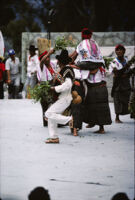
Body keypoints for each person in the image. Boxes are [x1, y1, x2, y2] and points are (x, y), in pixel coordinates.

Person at [45, 49, 74, 143]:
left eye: (58, 60)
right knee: (50, 114)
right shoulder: (62, 70)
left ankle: (69, 119)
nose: (57, 62)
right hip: (61, 98)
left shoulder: (67, 70)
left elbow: (68, 84)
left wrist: (54, 89)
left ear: (61, 61)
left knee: (48, 114)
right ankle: (54, 137)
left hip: (65, 98)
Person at [108, 44, 132, 123]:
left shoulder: (127, 60)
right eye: (117, 50)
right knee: (117, 99)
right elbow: (117, 73)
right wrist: (125, 69)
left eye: (121, 50)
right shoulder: (113, 62)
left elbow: (130, 72)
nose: (119, 51)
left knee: (125, 99)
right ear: (115, 52)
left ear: (124, 51)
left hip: (126, 83)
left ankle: (128, 113)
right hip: (117, 84)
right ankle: (117, 117)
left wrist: (126, 73)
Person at [37, 49, 58, 126]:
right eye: (46, 57)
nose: (48, 59)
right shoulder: (41, 65)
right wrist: (49, 52)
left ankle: (53, 121)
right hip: (43, 85)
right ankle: (45, 122)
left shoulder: (53, 64)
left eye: (48, 57)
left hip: (52, 84)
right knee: (44, 104)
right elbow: (42, 61)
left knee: (52, 103)